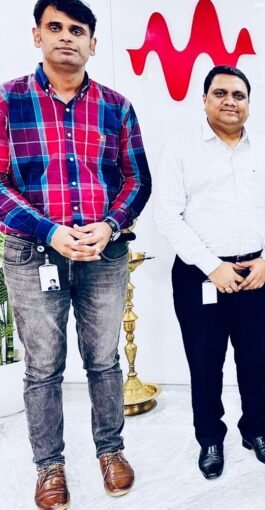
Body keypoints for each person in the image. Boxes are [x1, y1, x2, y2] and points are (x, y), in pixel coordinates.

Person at [0, 1, 151, 508]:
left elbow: (136, 179)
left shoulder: (116, 106)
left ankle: (111, 451)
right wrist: (49, 230)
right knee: (43, 365)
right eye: (56, 27)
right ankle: (50, 467)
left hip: (104, 253)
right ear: (37, 35)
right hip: (32, 254)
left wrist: (110, 225)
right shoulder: (8, 101)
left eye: (78, 30)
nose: (67, 37)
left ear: (93, 43)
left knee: (104, 360)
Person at [154, 65, 265, 479]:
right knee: (205, 364)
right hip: (200, 276)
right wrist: (213, 267)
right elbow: (167, 216)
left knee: (255, 361)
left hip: (256, 273)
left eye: (239, 95)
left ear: (249, 103)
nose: (230, 101)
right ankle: (210, 438)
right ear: (204, 100)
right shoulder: (180, 149)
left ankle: (256, 430)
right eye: (220, 93)